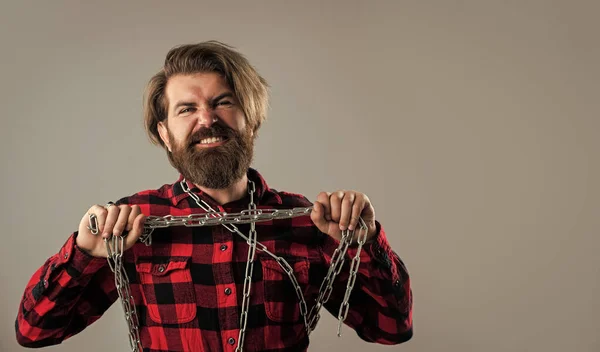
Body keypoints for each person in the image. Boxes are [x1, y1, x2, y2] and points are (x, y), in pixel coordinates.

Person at [15, 41, 413, 352]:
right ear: (165, 134)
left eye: (223, 102)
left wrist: (365, 244)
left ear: (251, 118)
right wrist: (83, 253)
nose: (207, 119)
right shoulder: (134, 223)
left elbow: (392, 329)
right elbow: (34, 331)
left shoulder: (306, 221)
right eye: (187, 109)